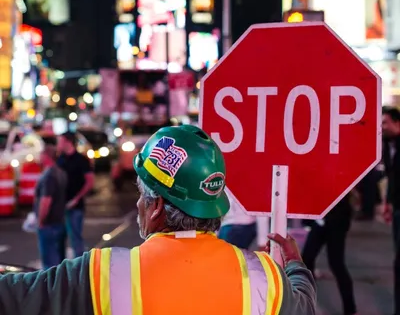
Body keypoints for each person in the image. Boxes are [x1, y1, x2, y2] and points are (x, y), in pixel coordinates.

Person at [0, 124, 317, 315]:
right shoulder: (266, 278)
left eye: (142, 196)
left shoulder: (101, 275)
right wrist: (295, 266)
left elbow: (14, 296)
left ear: (156, 208)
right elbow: (304, 306)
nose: (139, 204)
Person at [302, 193, 357, 315]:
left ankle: (350, 310)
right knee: (306, 259)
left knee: (337, 264)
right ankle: (307, 301)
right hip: (320, 220)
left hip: (336, 219)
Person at [57, 131, 95, 257]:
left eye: (61, 141)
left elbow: (89, 181)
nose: (59, 144)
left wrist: (77, 198)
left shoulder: (81, 160)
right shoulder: (60, 159)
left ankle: (79, 269)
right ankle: (59, 268)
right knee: (59, 237)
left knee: (75, 237)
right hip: (60, 205)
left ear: (68, 142)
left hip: (75, 206)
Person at [34, 144, 67, 269]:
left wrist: (41, 221)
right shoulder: (61, 173)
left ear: (46, 156)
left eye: (41, 154)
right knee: (60, 264)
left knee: (50, 266)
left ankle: (53, 289)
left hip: (49, 224)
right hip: (60, 222)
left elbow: (46, 201)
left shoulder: (48, 176)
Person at [382, 105, 400, 315]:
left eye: (385, 122)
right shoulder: (386, 145)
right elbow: (390, 177)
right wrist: (387, 203)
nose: (382, 127)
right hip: (397, 209)